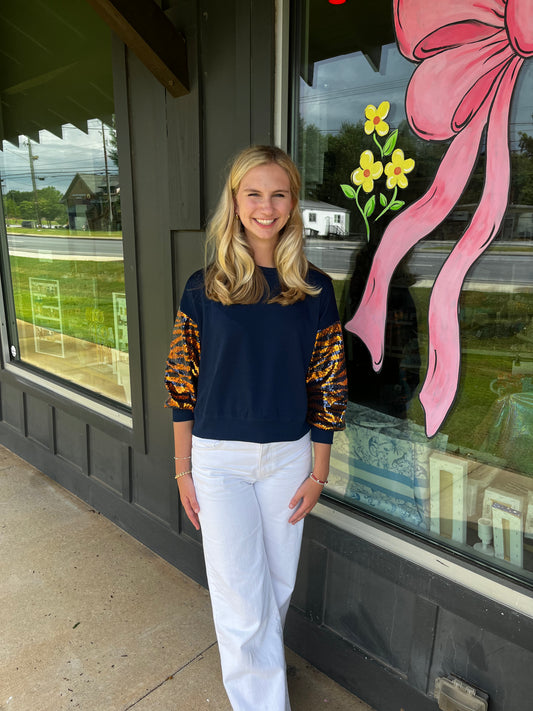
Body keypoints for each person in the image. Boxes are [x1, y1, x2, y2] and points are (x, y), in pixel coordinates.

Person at [164, 145, 347, 711]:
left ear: (293, 203)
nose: (266, 207)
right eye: (253, 194)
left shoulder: (313, 289)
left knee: (275, 592)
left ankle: (262, 683)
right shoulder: (204, 286)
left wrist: (318, 472)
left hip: (289, 460)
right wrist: (182, 469)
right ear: (236, 202)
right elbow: (180, 384)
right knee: (242, 607)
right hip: (219, 463)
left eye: (278, 194)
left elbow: (330, 385)